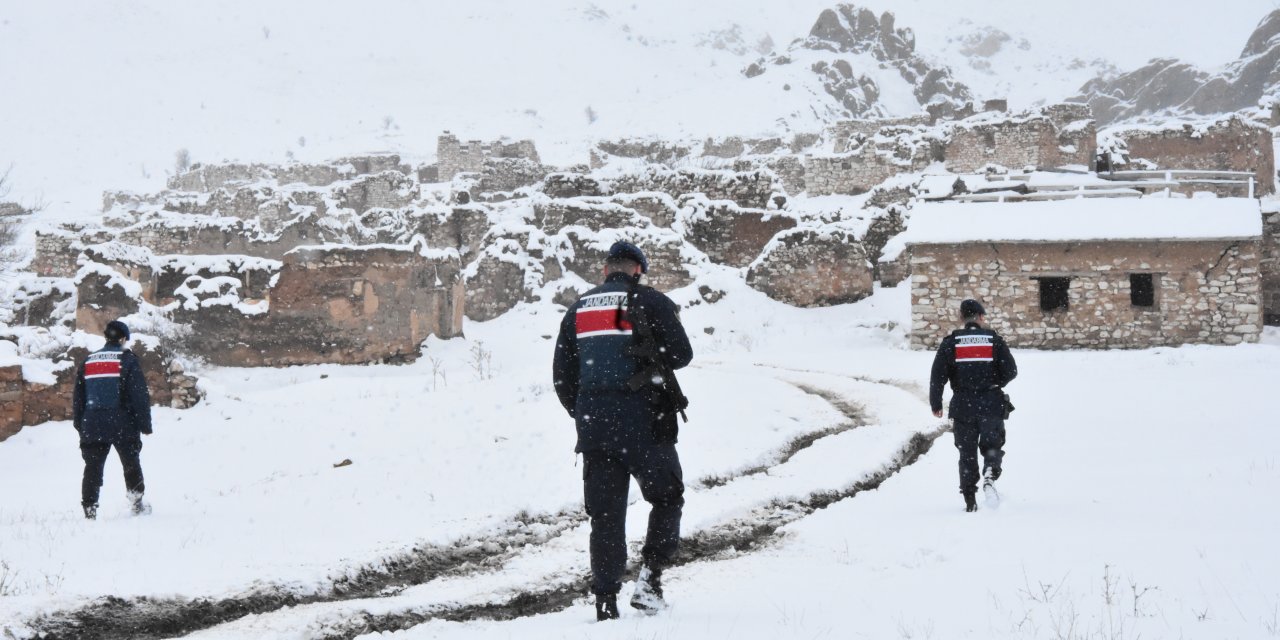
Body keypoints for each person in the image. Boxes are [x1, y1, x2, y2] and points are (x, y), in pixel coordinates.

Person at [552, 241, 693, 621]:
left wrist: (587, 412)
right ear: (638, 270)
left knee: (606, 517)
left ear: (605, 270)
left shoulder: (579, 308)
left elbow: (563, 376)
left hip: (596, 430)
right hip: (646, 424)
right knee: (667, 498)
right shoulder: (651, 301)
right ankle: (650, 580)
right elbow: (682, 355)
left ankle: (605, 602)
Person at [929, 299, 1017, 512]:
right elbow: (1011, 371)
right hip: (991, 403)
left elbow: (937, 376)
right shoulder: (994, 340)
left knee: (966, 453)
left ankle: (970, 499)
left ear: (961, 317)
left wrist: (936, 403)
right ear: (981, 317)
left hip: (963, 405)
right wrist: (994, 383)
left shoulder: (951, 342)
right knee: (992, 446)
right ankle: (990, 474)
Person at [72, 320, 153, 519]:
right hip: (122, 422)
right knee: (131, 464)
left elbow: (78, 397)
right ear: (123, 338)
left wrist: (80, 423)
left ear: (106, 337)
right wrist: (145, 424)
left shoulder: (88, 360)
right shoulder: (128, 360)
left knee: (93, 468)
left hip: (93, 423)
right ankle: (136, 503)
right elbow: (139, 395)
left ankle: (89, 509)